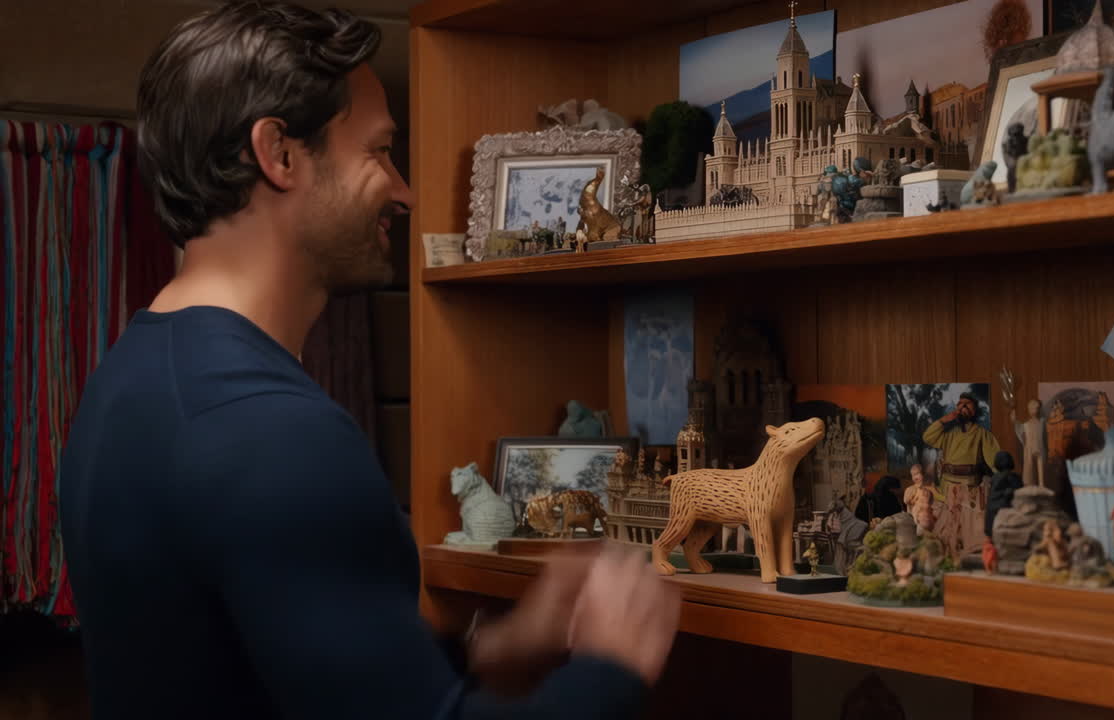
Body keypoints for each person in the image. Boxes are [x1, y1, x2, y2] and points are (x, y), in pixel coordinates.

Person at [57, 3, 680, 719]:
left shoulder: (129, 380)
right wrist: (613, 663)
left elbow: (263, 670)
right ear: (280, 154)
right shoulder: (272, 433)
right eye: (379, 152)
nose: (406, 191)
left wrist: (489, 651)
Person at [923, 392, 1001, 558]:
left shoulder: (981, 434)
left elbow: (995, 460)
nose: (962, 406)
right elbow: (928, 437)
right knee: (947, 529)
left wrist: (1003, 477)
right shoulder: (949, 433)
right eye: (960, 404)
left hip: (970, 487)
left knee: (967, 530)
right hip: (949, 486)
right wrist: (944, 420)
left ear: (975, 411)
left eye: (967, 404)